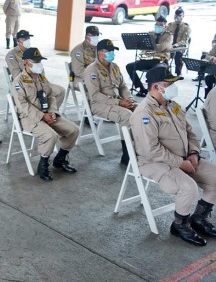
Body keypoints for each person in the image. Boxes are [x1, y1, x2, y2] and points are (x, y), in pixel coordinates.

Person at [131, 64, 216, 246]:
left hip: (184, 157)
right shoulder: (144, 113)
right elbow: (150, 150)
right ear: (156, 87)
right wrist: (180, 163)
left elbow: (189, 132)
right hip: (155, 162)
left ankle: (198, 218)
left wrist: (193, 152)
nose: (173, 88)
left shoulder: (173, 106)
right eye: (169, 84)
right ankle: (180, 225)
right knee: (188, 187)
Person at [12, 48, 79, 181]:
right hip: (29, 118)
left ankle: (60, 160)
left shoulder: (41, 76)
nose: (38, 63)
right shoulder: (18, 82)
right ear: (26, 62)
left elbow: (50, 96)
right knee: (50, 135)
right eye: (35, 61)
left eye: (39, 61)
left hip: (47, 114)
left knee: (73, 130)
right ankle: (43, 164)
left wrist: (53, 112)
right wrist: (42, 116)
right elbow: (23, 106)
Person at [83, 39, 135, 166]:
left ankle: (139, 147)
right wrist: (119, 102)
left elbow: (123, 86)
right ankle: (127, 155)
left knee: (141, 111)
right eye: (108, 51)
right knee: (127, 116)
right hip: (99, 105)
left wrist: (130, 100)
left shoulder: (115, 67)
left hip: (117, 102)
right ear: (99, 52)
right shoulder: (92, 70)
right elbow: (95, 95)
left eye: (112, 51)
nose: (111, 53)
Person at [5, 30, 65, 108]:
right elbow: (16, 75)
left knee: (60, 91)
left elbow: (41, 70)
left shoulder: (33, 51)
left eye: (28, 38)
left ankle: (51, 113)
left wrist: (42, 81)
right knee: (35, 96)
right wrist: (32, 78)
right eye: (24, 38)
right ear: (17, 40)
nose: (27, 40)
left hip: (40, 82)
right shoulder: (12, 55)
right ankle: (41, 115)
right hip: (26, 84)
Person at [126, 16, 172, 97]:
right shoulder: (151, 34)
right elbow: (143, 47)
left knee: (153, 71)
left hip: (160, 60)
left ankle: (152, 91)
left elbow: (161, 47)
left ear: (165, 26)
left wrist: (149, 45)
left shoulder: (169, 36)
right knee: (129, 66)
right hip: (148, 59)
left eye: (160, 25)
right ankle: (141, 88)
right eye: (156, 25)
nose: (158, 27)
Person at [165, 7, 191, 77]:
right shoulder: (170, 25)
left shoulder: (186, 27)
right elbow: (165, 36)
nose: (177, 17)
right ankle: (166, 71)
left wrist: (176, 45)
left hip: (179, 46)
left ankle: (178, 72)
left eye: (180, 16)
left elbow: (184, 40)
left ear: (183, 16)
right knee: (163, 53)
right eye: (176, 16)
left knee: (178, 54)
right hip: (169, 45)